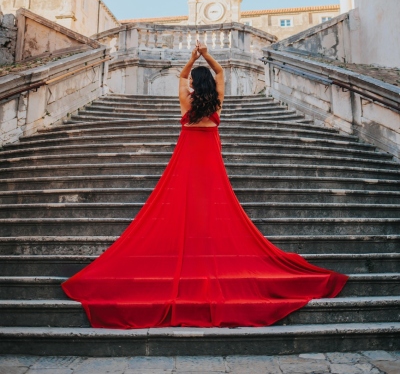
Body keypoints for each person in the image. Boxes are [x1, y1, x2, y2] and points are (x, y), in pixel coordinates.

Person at [62, 43, 347, 329]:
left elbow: (181, 76)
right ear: (209, 83)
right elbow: (221, 71)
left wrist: (192, 58)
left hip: (188, 153)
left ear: (194, 84)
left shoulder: (187, 100)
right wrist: (207, 55)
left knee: (184, 200)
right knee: (212, 200)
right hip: (210, 154)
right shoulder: (217, 101)